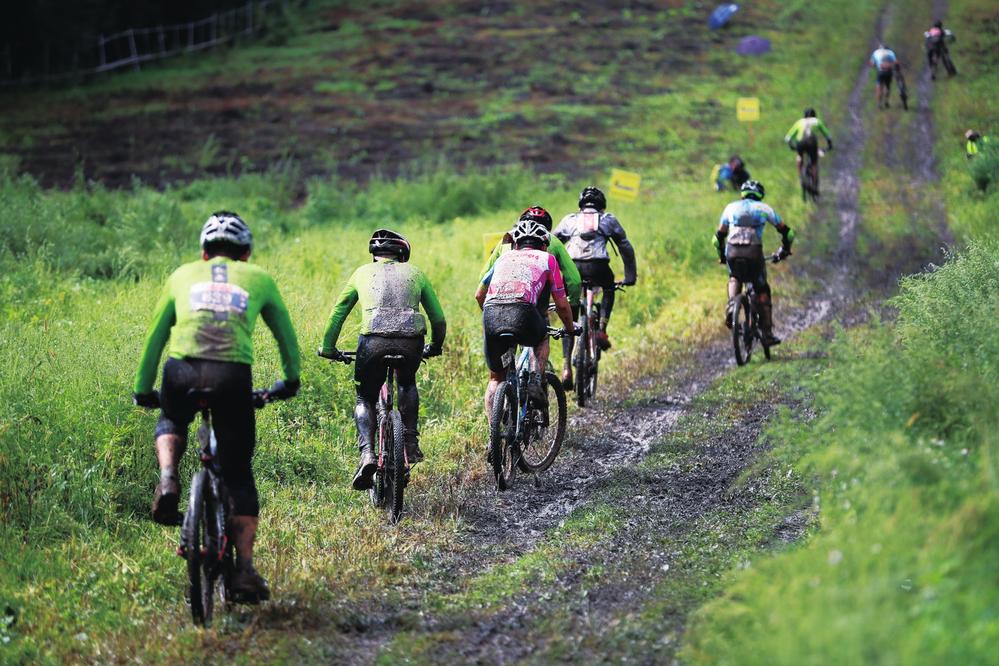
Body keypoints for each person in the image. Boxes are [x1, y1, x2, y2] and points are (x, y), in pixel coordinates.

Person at [132, 211, 302, 603]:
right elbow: (285, 338)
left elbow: (156, 337)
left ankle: (169, 477)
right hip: (232, 378)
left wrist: (143, 388)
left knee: (172, 417)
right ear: (245, 253)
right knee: (238, 474)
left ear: (204, 253)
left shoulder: (181, 275)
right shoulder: (258, 277)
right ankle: (242, 570)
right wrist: (289, 381)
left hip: (181, 371)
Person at [320, 229, 446, 491]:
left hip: (372, 342)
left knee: (365, 397)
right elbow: (438, 319)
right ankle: (410, 443)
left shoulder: (361, 273)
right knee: (407, 383)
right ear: (402, 254)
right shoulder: (416, 273)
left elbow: (338, 313)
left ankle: (367, 454)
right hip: (411, 341)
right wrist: (435, 345)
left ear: (374, 254)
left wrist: (329, 348)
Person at [475, 218, 576, 417]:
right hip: (524, 313)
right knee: (542, 335)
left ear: (515, 244)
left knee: (495, 379)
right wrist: (570, 329)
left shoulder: (503, 258)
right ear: (544, 244)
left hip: (491, 313)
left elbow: (479, 295)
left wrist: (493, 318)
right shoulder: (548, 259)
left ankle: (493, 437)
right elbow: (562, 305)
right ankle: (536, 380)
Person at [553, 186, 637, 386]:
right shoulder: (608, 219)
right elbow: (625, 246)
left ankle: (566, 367)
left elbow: (553, 243)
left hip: (572, 268)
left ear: (581, 205)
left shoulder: (570, 219)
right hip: (599, 267)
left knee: (569, 319)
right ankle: (601, 329)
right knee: (608, 287)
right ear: (602, 205)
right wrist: (630, 276)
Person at [713, 180, 794, 347]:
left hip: (732, 251)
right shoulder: (764, 208)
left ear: (742, 194)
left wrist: (722, 255)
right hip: (753, 252)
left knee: (734, 277)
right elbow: (788, 232)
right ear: (760, 195)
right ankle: (767, 333)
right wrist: (785, 249)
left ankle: (731, 307)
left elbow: (717, 238)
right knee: (762, 288)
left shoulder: (730, 207)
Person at [784, 108, 833, 194]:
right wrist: (829, 144)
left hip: (800, 143)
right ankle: (814, 184)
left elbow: (788, 138)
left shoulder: (799, 122)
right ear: (814, 115)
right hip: (811, 143)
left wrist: (791, 146)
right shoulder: (817, 121)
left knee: (799, 157)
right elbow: (827, 135)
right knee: (814, 163)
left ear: (804, 116)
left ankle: (801, 178)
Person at [869, 44, 898, 109]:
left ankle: (879, 104)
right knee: (887, 86)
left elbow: (872, 64)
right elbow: (896, 62)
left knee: (879, 87)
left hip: (880, 71)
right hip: (889, 72)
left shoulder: (876, 52)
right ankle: (886, 101)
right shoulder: (890, 52)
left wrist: (875, 66)